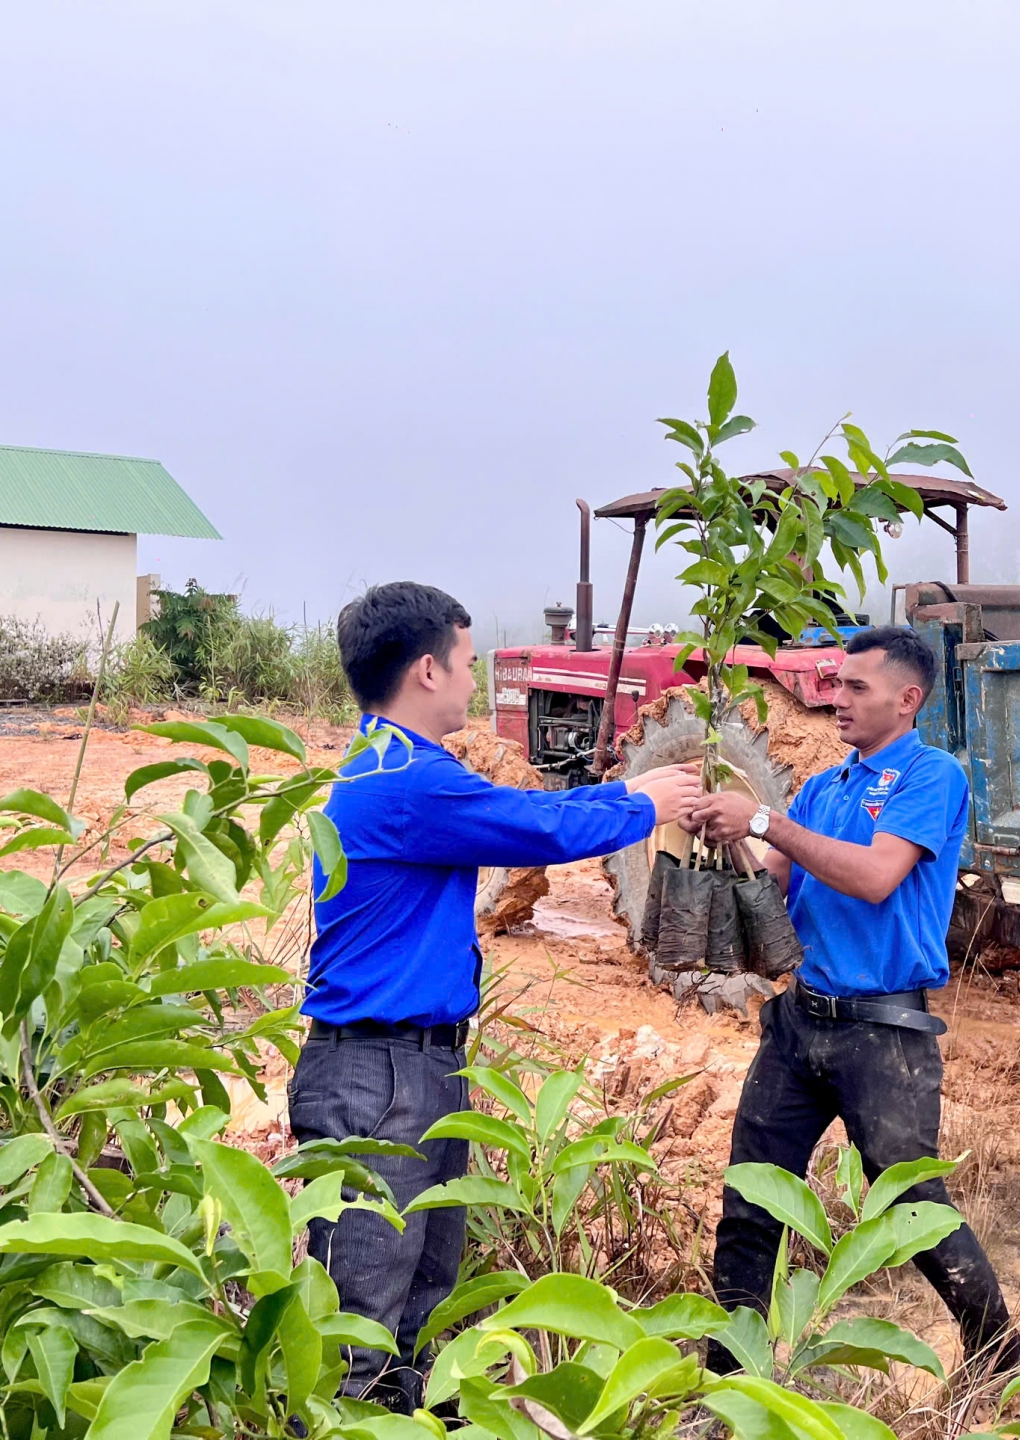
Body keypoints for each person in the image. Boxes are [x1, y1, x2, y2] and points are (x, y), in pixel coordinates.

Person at [287, 581, 702, 1410]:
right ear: (429, 671)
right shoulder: (403, 782)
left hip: (416, 1068)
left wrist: (630, 794)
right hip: (380, 1077)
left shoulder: (406, 770)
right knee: (362, 1330)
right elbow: (540, 831)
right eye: (470, 664)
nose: (477, 683)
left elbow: (518, 810)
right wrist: (641, 802)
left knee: (420, 1312)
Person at [687, 626, 1020, 1379]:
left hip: (885, 1037)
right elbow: (773, 881)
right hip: (800, 1023)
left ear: (907, 701)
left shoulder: (931, 777)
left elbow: (876, 877)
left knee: (913, 1211)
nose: (836, 700)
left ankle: (998, 1354)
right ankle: (728, 1377)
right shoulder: (824, 785)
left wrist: (763, 818)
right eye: (836, 685)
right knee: (751, 1199)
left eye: (855, 689)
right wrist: (720, 836)